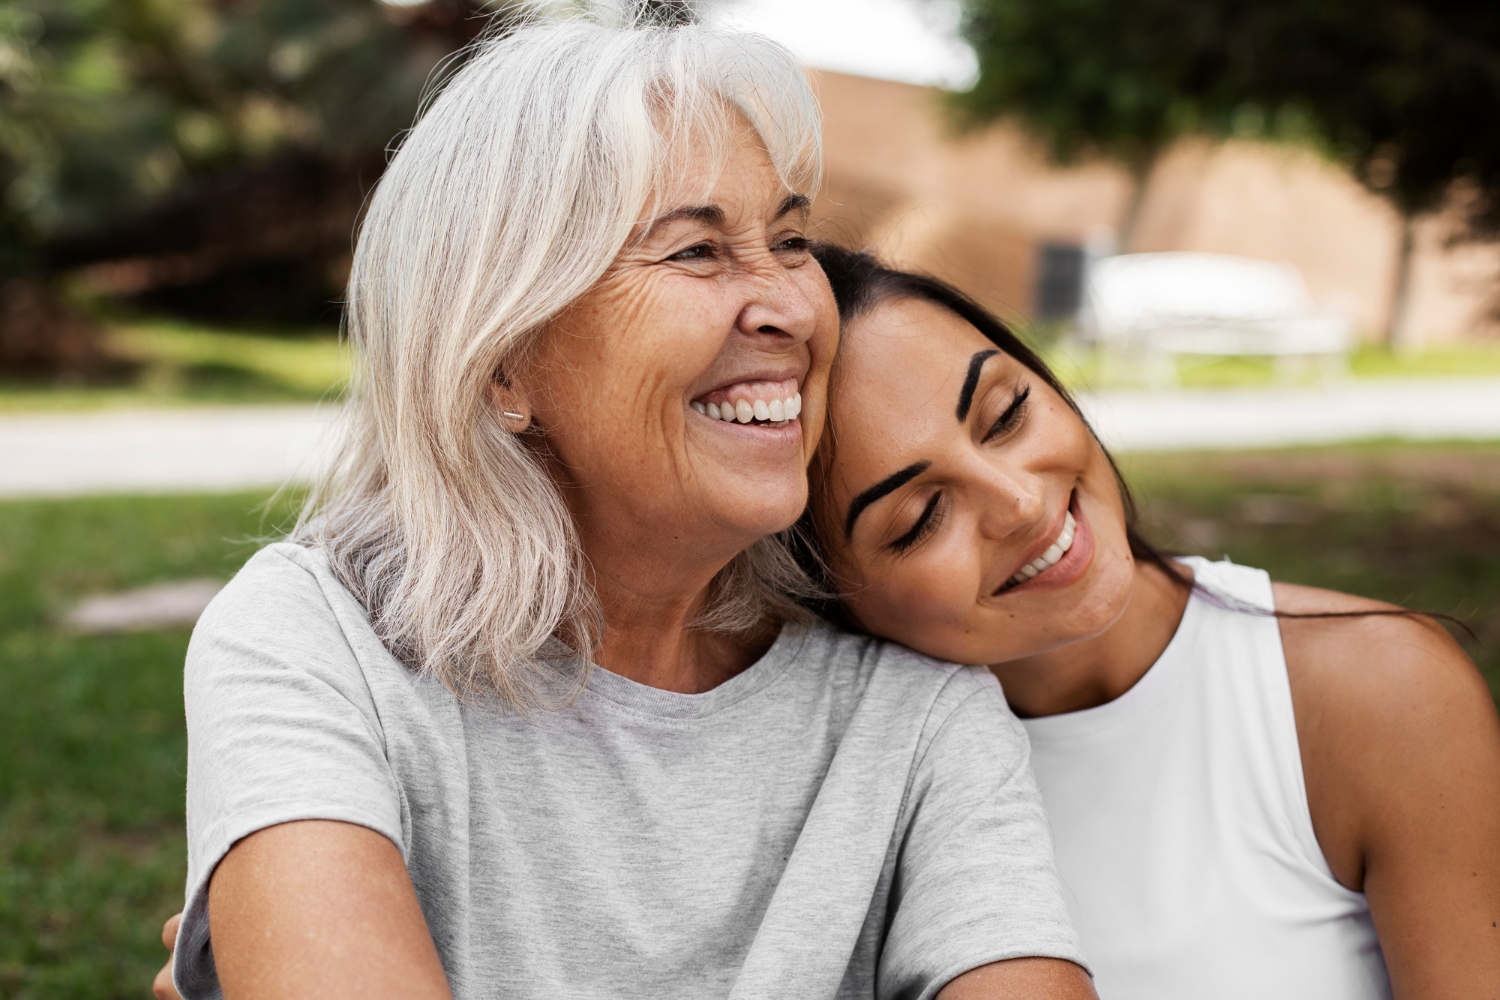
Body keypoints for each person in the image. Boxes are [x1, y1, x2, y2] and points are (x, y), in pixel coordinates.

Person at [155, 12, 1097, 1000]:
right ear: (504, 361)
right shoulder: (319, 643)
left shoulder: (912, 707)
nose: (790, 304)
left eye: (790, 238)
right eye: (695, 252)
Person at [792, 242, 1500, 999]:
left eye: (1005, 415)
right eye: (922, 516)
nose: (1020, 502)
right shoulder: (826, 800)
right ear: (831, 594)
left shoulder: (1379, 691)